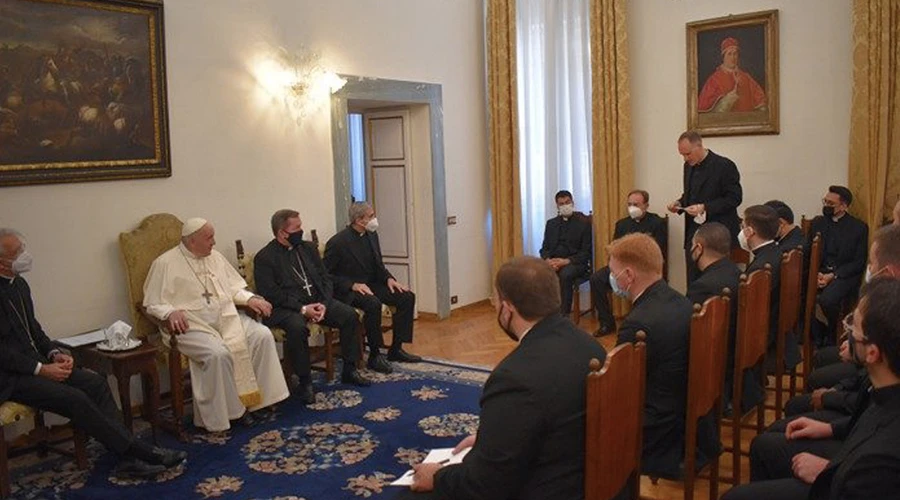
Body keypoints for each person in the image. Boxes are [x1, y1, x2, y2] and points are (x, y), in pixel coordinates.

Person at [400, 256, 607, 500]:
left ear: (507, 309)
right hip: (580, 469)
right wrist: (491, 439)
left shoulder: (513, 378)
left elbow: (484, 485)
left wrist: (436, 476)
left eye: (495, 301)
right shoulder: (591, 347)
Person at [0, 229, 186, 479]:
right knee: (75, 398)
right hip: (11, 378)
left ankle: (126, 458)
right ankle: (136, 451)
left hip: (38, 365)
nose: (25, 256)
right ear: (2, 262)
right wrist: (41, 369)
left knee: (95, 383)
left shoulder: (19, 284)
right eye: (18, 253)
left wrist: (54, 353)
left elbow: (34, 329)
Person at [722, 278, 900, 500]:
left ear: (872, 353)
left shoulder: (881, 459)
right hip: (845, 467)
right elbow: (863, 422)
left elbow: (859, 477)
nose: (848, 333)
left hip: (840, 482)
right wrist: (828, 429)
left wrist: (828, 471)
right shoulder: (885, 384)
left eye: (853, 326)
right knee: (765, 446)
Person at [143, 218, 289, 432]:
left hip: (227, 317)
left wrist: (250, 299)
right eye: (209, 238)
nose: (214, 242)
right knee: (217, 354)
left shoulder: (216, 257)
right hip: (191, 326)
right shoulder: (165, 264)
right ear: (192, 241)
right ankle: (231, 413)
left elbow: (232, 288)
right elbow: (151, 303)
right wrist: (170, 312)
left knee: (261, 335)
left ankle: (260, 401)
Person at [609, 233, 711, 479]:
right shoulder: (680, 301)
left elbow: (620, 389)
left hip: (658, 431)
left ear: (629, 276)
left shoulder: (638, 324)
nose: (611, 278)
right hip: (690, 419)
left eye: (613, 272)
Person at [253, 210, 371, 402]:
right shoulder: (265, 258)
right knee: (297, 327)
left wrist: (324, 303)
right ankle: (305, 381)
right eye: (297, 227)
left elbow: (325, 278)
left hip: (318, 301)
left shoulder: (308, 248)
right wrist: (302, 309)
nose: (301, 230)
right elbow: (272, 294)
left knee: (349, 315)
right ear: (282, 233)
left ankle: (350, 369)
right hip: (287, 308)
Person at [324, 202, 421, 371]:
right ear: (359, 220)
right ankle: (375, 355)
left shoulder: (371, 235)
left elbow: (378, 266)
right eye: (371, 216)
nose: (374, 219)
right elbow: (326, 276)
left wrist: (389, 279)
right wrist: (352, 285)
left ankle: (396, 348)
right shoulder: (338, 242)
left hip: (373, 284)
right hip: (349, 290)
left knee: (406, 297)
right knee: (373, 304)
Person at [685, 222, 760, 412]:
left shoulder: (703, 286)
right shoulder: (735, 272)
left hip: (716, 368)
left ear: (698, 247)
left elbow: (690, 333)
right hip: (738, 360)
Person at [668, 130, 742, 283]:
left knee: (717, 282)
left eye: (688, 154)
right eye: (682, 155)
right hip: (694, 234)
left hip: (717, 235)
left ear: (699, 146)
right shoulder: (687, 166)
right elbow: (691, 194)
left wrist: (705, 207)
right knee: (693, 280)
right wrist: (680, 203)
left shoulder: (724, 165)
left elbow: (734, 198)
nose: (685, 158)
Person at [590, 189, 666, 336]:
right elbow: (615, 248)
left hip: (644, 269)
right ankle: (607, 323)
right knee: (596, 278)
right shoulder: (622, 224)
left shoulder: (657, 223)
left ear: (646, 205)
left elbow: (658, 251)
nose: (632, 208)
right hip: (621, 267)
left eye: (636, 204)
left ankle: (643, 322)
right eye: (629, 204)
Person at [742, 205, 801, 373]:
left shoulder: (761, 268)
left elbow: (750, 315)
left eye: (742, 226)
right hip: (780, 334)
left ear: (750, 231)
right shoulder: (776, 253)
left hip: (764, 340)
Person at [809, 186, 868, 347]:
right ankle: (815, 334)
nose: (826, 205)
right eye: (825, 201)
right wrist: (816, 274)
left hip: (843, 274)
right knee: (799, 295)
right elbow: (809, 252)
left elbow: (858, 262)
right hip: (819, 271)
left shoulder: (858, 228)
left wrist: (833, 275)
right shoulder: (817, 223)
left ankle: (831, 332)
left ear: (843, 206)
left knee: (828, 300)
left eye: (831, 203)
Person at [539, 190, 592, 316]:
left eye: (567, 202)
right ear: (557, 206)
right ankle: (544, 313)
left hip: (575, 263)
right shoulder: (551, 224)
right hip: (554, 261)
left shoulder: (584, 223)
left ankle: (563, 314)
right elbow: (544, 248)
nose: (565, 205)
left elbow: (586, 252)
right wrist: (548, 260)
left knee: (565, 274)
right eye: (561, 203)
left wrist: (566, 261)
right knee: (537, 272)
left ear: (573, 203)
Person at [697, 37, 767, 113]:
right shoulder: (714, 79)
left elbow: (760, 98)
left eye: (735, 54)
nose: (733, 57)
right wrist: (725, 102)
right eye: (729, 54)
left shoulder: (746, 77)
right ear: (723, 57)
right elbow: (703, 107)